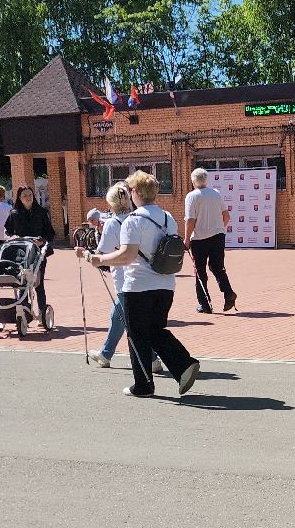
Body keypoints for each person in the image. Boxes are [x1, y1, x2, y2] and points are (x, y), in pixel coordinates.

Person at [82, 170, 200, 397]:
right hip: (166, 284)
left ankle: (144, 385)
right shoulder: (168, 217)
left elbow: (127, 256)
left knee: (137, 335)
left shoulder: (133, 221)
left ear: (135, 192)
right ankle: (184, 365)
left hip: (138, 286)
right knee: (156, 330)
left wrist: (99, 260)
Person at [90, 185, 133, 368]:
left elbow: (101, 254)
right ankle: (106, 353)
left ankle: (153, 359)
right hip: (140, 276)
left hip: (124, 278)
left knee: (128, 320)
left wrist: (86, 255)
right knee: (118, 315)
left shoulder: (112, 224)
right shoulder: (136, 219)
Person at [183, 168, 236, 314]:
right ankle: (228, 293)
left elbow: (190, 220)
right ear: (206, 180)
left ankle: (205, 304)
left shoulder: (192, 196)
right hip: (218, 236)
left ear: (193, 181)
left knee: (200, 271)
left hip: (200, 239)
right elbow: (226, 216)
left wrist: (186, 239)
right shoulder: (216, 193)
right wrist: (220, 228)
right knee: (218, 267)